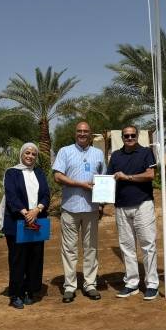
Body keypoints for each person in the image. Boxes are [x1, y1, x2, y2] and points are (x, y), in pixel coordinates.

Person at [53, 121, 105, 303]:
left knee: (91, 248)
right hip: (70, 207)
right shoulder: (64, 151)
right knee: (69, 248)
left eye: (86, 131)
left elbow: (103, 179)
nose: (82, 134)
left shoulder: (98, 153)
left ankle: (90, 284)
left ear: (91, 134)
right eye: (79, 131)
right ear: (75, 133)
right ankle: (70, 286)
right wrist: (79, 184)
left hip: (91, 208)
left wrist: (102, 203)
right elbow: (57, 176)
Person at [107, 125, 159, 300]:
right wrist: (100, 192)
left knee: (148, 245)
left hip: (143, 204)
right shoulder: (115, 156)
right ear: (122, 137)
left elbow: (150, 175)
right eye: (126, 136)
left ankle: (152, 284)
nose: (129, 138)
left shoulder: (146, 152)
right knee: (126, 246)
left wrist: (127, 177)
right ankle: (131, 283)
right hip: (121, 206)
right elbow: (109, 179)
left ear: (137, 136)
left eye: (132, 135)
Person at [2, 143, 50, 309]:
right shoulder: (12, 172)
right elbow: (11, 196)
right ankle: (16, 294)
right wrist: (25, 213)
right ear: (22, 154)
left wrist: (37, 210)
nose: (30, 156)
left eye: (33, 154)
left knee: (35, 257)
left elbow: (46, 194)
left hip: (37, 220)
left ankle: (31, 291)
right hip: (17, 222)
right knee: (18, 259)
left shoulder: (39, 172)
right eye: (27, 153)